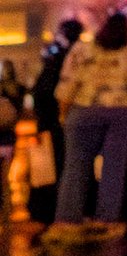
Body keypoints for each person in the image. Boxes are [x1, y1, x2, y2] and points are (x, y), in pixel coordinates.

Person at [53, 12, 127, 232]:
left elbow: (67, 85)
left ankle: (67, 220)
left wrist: (63, 114)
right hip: (120, 112)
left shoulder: (81, 50)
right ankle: (106, 219)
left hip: (83, 110)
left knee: (75, 166)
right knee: (113, 168)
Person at [25, 21, 75, 233]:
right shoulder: (73, 58)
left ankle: (47, 212)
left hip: (53, 124)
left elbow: (42, 93)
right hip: (66, 124)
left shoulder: (57, 62)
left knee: (49, 170)